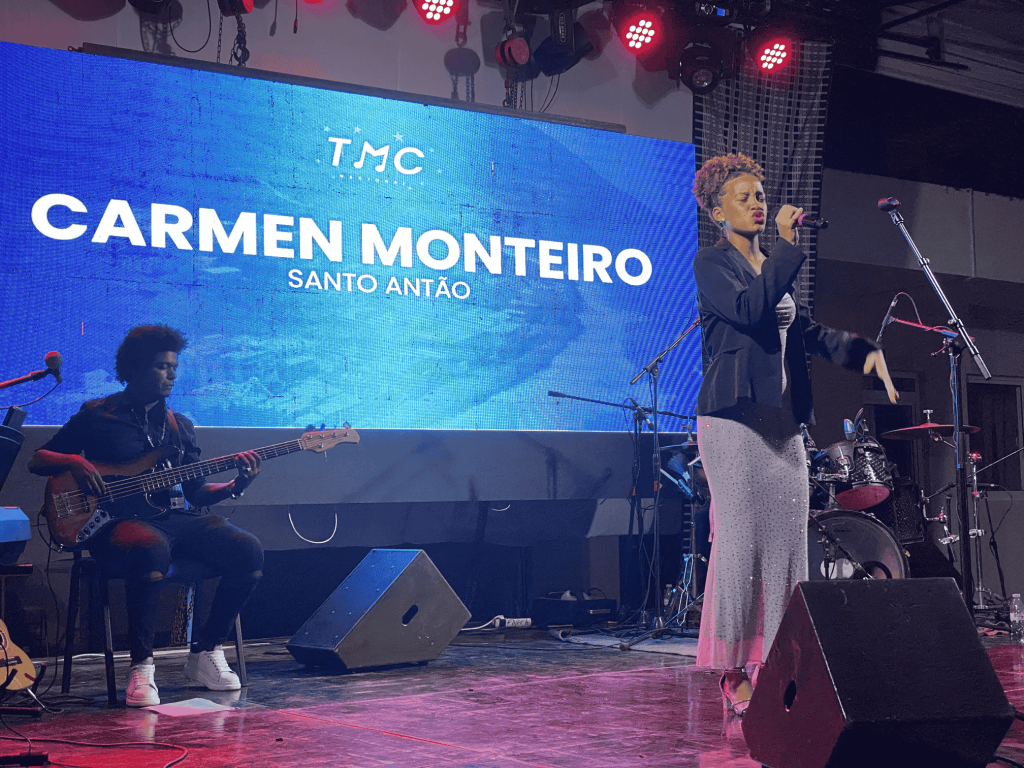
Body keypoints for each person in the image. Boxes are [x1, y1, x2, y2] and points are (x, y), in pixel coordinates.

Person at [690, 154, 897, 715]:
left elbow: (804, 332)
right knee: (741, 542)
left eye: (760, 194)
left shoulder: (772, 267)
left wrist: (862, 351)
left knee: (786, 545)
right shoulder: (713, 263)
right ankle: (732, 669)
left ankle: (778, 661)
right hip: (733, 422)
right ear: (717, 212)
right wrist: (785, 247)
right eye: (743, 197)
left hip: (783, 424)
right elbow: (749, 311)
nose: (758, 204)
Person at [29, 325, 264, 707]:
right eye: (161, 366)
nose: (171, 375)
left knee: (246, 549)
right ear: (135, 368)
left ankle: (206, 653)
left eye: (174, 367)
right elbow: (38, 459)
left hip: (168, 519)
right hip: (111, 524)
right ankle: (141, 666)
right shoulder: (97, 414)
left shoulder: (178, 426)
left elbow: (197, 493)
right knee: (149, 546)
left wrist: (237, 484)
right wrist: (73, 461)